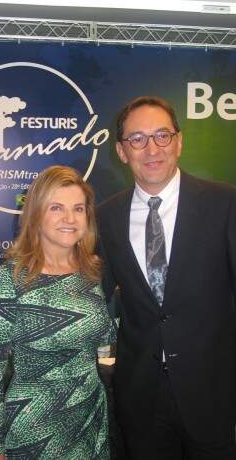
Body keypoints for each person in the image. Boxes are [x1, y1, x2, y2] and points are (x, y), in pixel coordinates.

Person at [97, 96, 236, 460]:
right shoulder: (106, 216)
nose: (152, 148)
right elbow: (93, 294)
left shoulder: (225, 204)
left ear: (179, 141)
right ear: (122, 151)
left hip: (213, 398)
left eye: (162, 135)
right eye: (137, 139)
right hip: (141, 399)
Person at [0, 165, 115, 460]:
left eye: (78, 208)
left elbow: (102, 338)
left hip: (90, 421)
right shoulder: (10, 279)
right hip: (34, 429)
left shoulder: (91, 273)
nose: (70, 218)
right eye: (57, 207)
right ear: (37, 215)